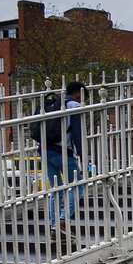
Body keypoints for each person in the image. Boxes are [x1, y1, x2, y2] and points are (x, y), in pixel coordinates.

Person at [46, 81, 85, 246]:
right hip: (63, 152)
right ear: (79, 94)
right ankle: (62, 220)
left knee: (56, 188)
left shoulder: (54, 104)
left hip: (45, 151)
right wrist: (83, 156)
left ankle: (54, 227)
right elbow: (76, 134)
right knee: (77, 185)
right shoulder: (74, 105)